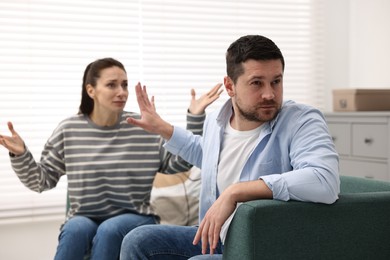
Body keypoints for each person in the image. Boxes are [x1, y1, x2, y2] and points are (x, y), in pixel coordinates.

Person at [119, 35, 340, 259]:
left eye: (276, 81)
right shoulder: (218, 120)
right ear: (229, 86)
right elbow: (207, 154)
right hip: (217, 238)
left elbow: (324, 179)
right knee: (137, 240)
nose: (269, 94)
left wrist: (235, 192)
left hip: (263, 246)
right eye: (257, 83)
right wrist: (162, 128)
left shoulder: (302, 120)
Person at [0, 57, 222, 260]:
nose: (122, 92)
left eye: (125, 84)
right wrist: (20, 155)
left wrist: (195, 118)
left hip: (135, 215)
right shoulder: (69, 129)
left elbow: (178, 165)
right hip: (84, 216)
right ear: (91, 90)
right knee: (75, 229)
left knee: (110, 229)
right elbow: (41, 181)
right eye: (112, 85)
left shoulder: (140, 127)